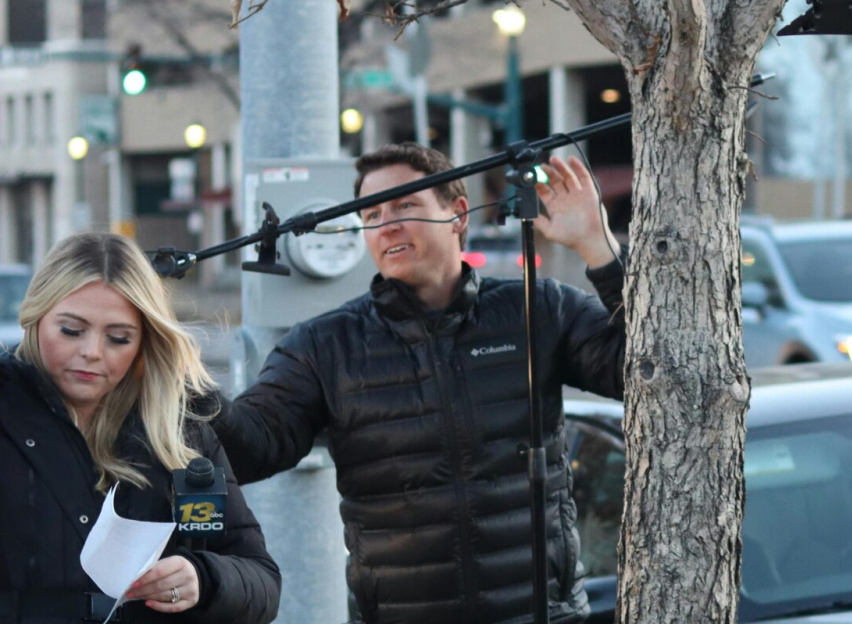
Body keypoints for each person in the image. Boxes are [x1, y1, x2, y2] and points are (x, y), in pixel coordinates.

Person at [212, 143, 626, 624]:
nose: (386, 224)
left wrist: (599, 248)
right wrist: (177, 386)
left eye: (405, 204)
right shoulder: (323, 346)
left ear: (458, 213)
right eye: (371, 213)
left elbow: (639, 374)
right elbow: (250, 447)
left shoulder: (539, 308)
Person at [0, 232, 281, 623]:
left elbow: (262, 580)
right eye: (71, 330)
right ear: (35, 317)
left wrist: (204, 578)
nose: (92, 351)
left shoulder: (178, 426)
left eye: (119, 338)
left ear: (145, 342)